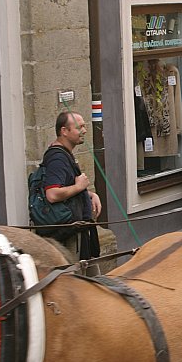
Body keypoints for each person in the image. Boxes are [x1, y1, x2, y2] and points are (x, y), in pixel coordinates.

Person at [40, 111, 102, 259]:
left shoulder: (64, 154)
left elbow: (65, 188)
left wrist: (90, 194)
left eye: (84, 127)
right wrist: (79, 187)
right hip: (69, 236)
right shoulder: (58, 160)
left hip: (77, 229)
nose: (84, 131)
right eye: (79, 127)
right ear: (64, 131)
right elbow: (52, 194)